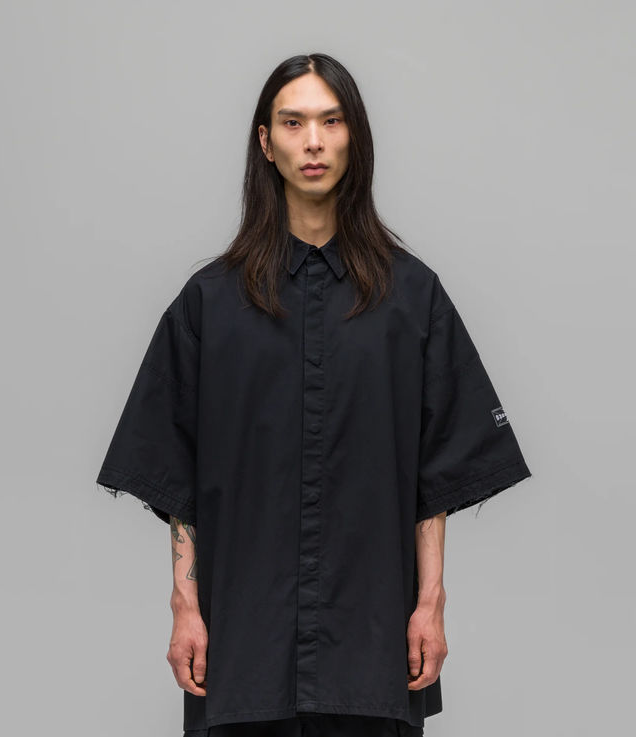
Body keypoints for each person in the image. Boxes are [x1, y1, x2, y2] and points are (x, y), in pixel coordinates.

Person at [95, 53, 532, 737]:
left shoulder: (412, 298)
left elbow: (437, 475)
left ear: (355, 136)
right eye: (293, 122)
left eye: (331, 121)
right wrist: (184, 606)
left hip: (373, 646)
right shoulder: (208, 305)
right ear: (266, 143)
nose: (314, 142)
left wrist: (431, 603)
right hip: (242, 647)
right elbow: (174, 473)